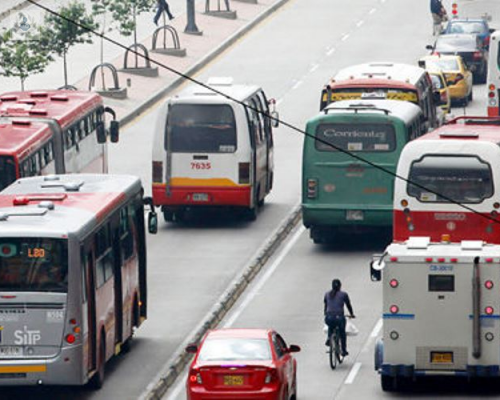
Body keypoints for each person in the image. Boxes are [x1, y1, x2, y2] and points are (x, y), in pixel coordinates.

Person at [324, 279, 355, 356]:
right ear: (340, 286)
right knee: (342, 333)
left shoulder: (327, 294)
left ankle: (329, 338)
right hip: (339, 318)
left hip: (328, 317)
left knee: (331, 325)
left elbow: (326, 306)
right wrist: (352, 314)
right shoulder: (343, 294)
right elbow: (348, 305)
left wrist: (326, 314)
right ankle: (344, 350)